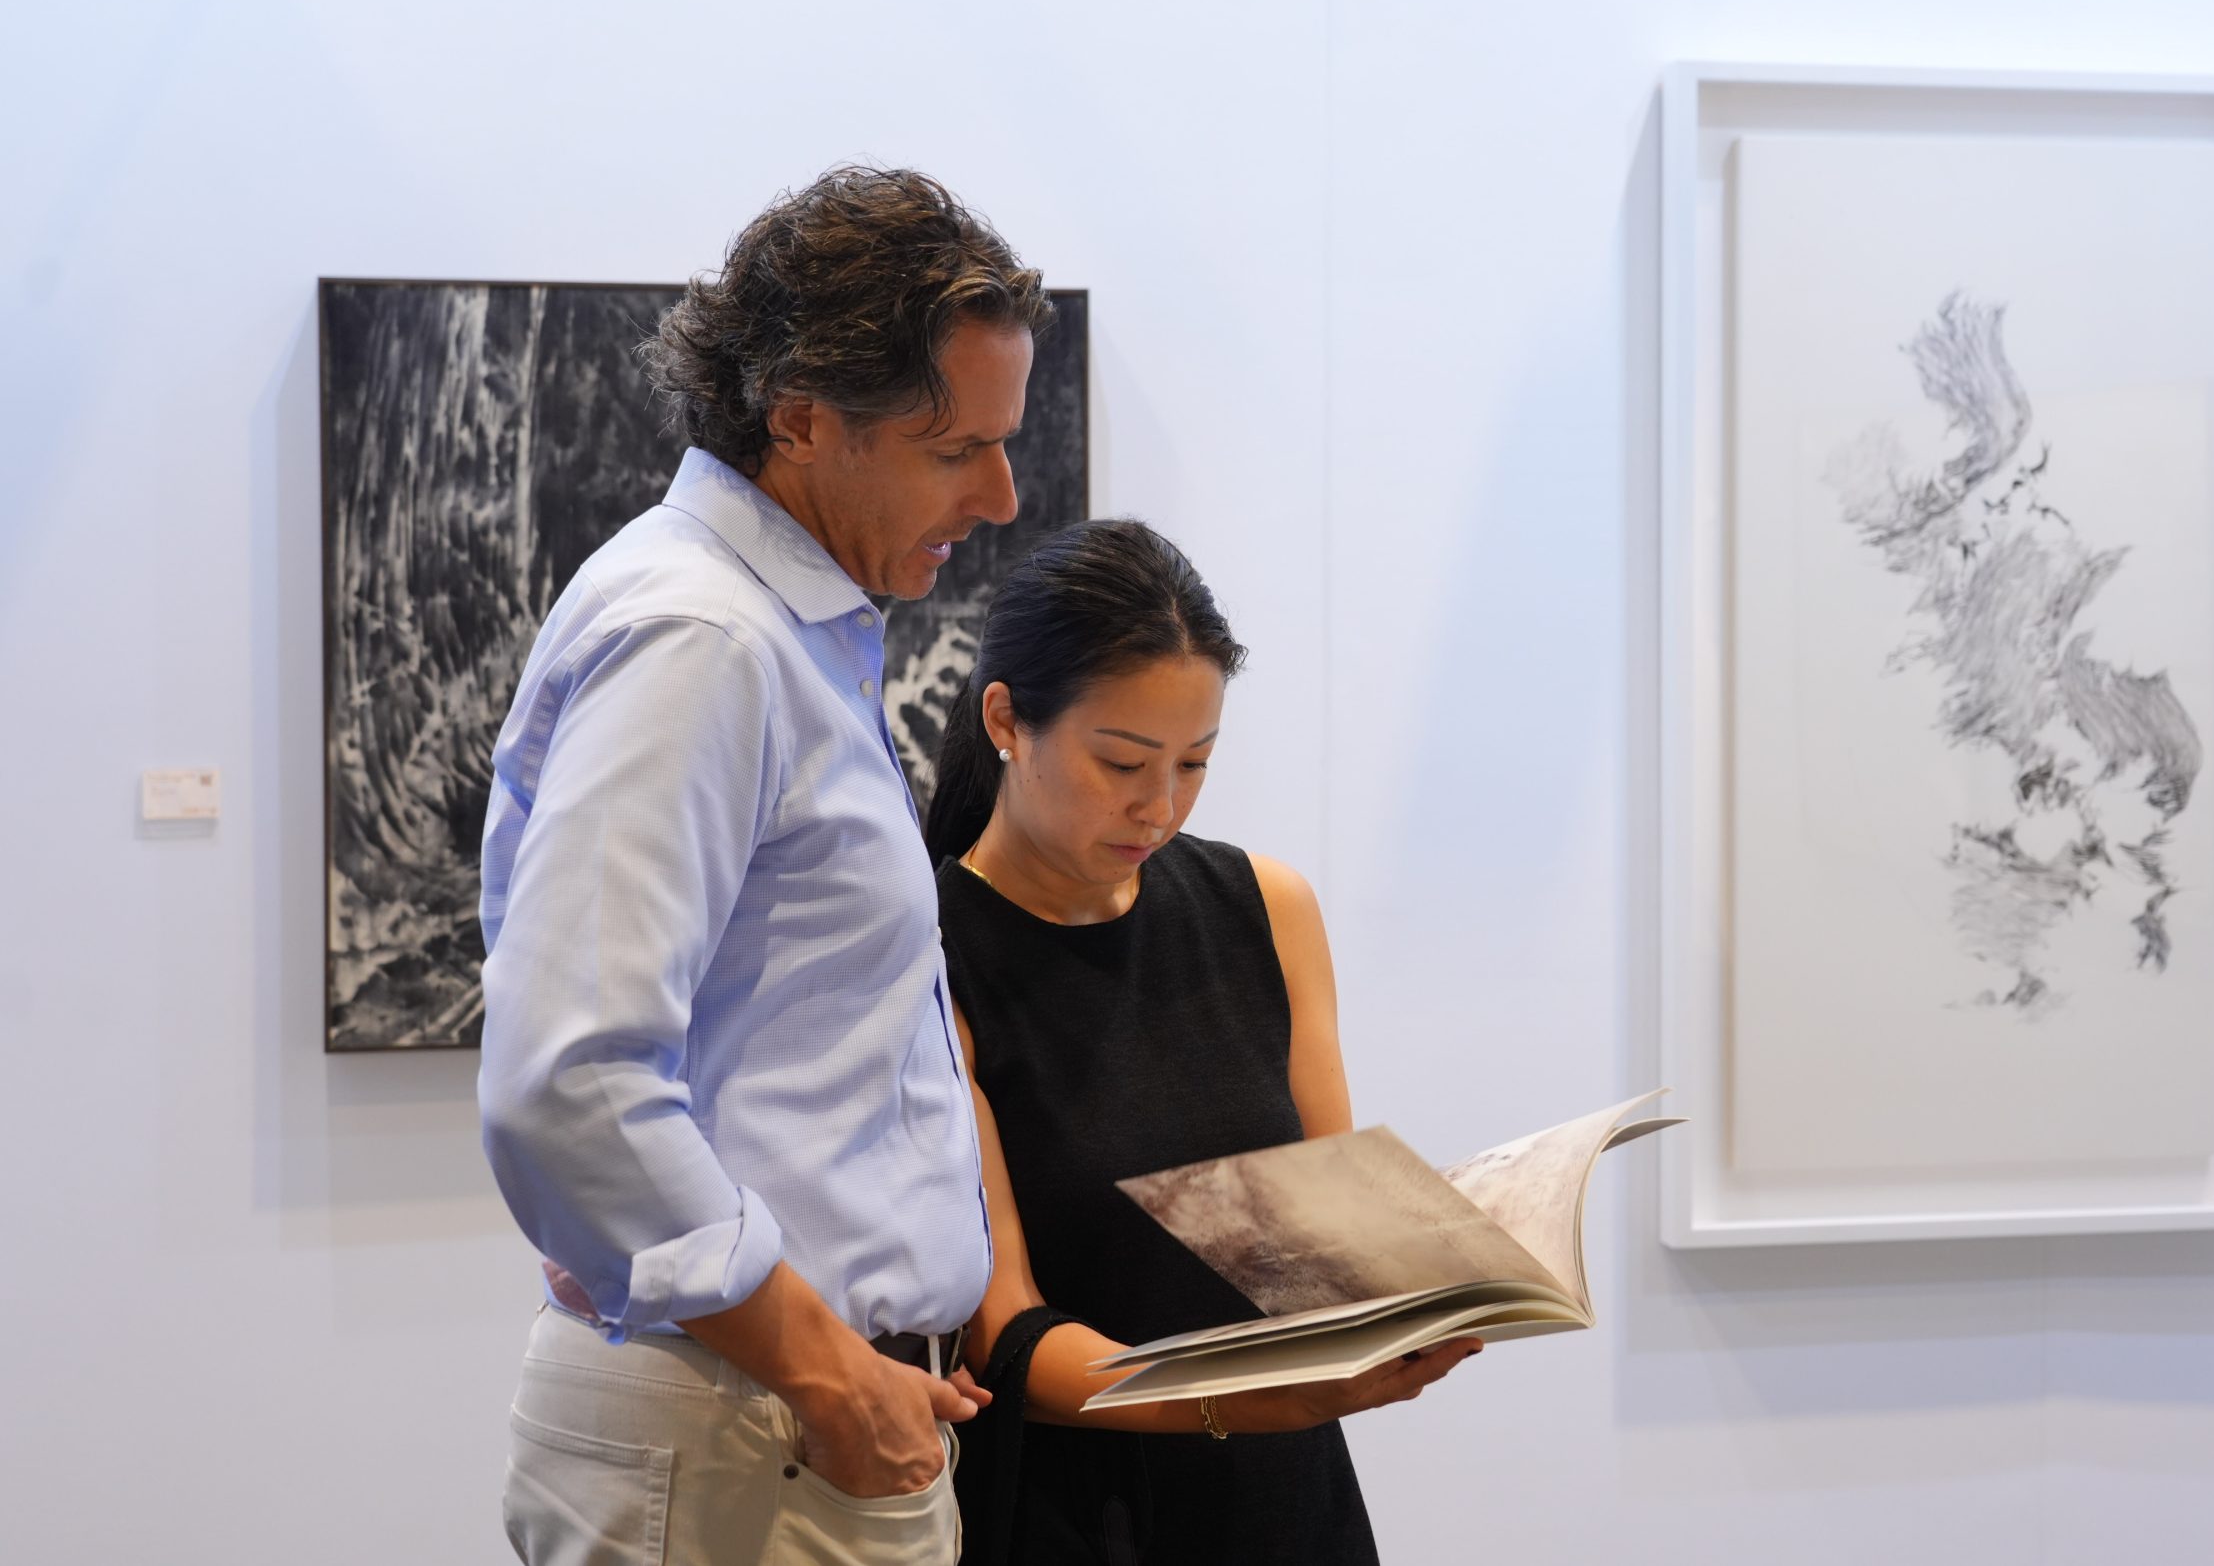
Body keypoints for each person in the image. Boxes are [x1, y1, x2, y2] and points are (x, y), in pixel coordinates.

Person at [476, 165, 1047, 1566]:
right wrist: (828, 1368)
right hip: (749, 1429)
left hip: (777, 1424)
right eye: (955, 446)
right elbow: (569, 1081)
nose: (1001, 492)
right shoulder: (704, 637)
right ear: (799, 417)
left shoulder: (775, 632)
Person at [923, 519, 1481, 1564]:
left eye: (1195, 762)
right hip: (1086, 1514)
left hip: (1290, 1505)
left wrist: (1436, 1271)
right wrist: (1245, 1401)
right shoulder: (931, 958)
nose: (1161, 806)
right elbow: (1007, 1332)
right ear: (1006, 720)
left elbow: (1323, 1246)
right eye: (1122, 762)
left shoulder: (1265, 907)